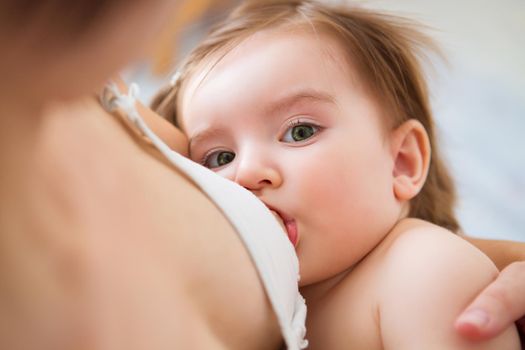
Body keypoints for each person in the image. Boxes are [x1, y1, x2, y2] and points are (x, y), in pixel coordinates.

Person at [0, 0, 523, 349]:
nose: (248, 174)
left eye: (299, 132)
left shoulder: (426, 270)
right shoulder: (314, 296)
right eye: (218, 158)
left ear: (403, 162)